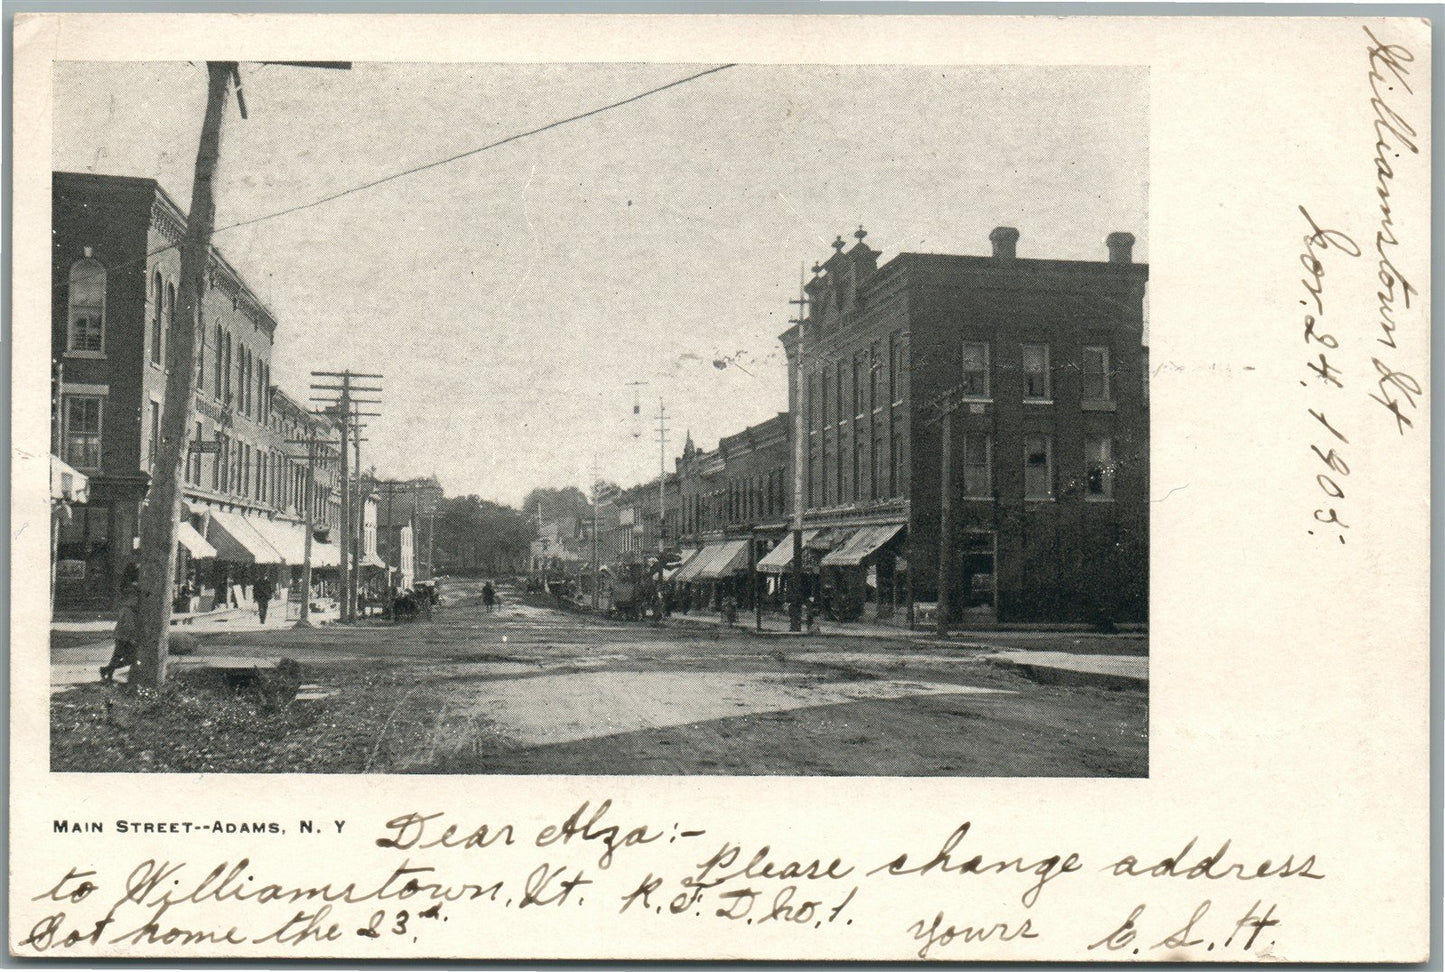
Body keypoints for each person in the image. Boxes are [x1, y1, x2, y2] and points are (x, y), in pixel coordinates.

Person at [101, 582, 140, 682]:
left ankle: (107, 672)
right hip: (125, 637)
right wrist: (132, 638)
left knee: (117, 657)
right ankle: (106, 670)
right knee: (130, 658)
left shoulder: (126, 607)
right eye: (135, 597)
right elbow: (128, 626)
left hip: (121, 636)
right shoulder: (128, 609)